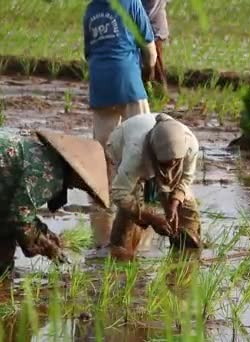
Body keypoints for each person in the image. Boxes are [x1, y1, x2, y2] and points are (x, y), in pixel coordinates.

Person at [83, 0, 157, 248]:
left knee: (102, 149)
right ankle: (146, 197)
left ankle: (102, 202)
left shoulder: (91, 9)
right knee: (144, 139)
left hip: (100, 83)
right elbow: (149, 48)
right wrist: (148, 70)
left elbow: (89, 52)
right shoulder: (132, 2)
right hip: (127, 80)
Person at [0, 129, 110, 276]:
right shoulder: (50, 174)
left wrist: (45, 232)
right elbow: (20, 217)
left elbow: (14, 210)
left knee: (5, 231)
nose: (76, 187)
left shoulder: (45, 155)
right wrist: (47, 246)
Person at [105, 113, 201, 260]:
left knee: (187, 208)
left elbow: (186, 178)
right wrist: (151, 217)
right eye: (164, 165)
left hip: (158, 153)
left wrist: (174, 203)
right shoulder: (135, 153)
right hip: (121, 143)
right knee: (131, 206)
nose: (169, 171)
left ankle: (186, 258)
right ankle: (121, 253)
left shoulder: (190, 144)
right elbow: (119, 194)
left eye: (175, 163)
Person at [143, 0, 170, 94]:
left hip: (151, 25)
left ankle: (159, 93)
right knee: (152, 63)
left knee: (155, 65)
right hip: (152, 24)